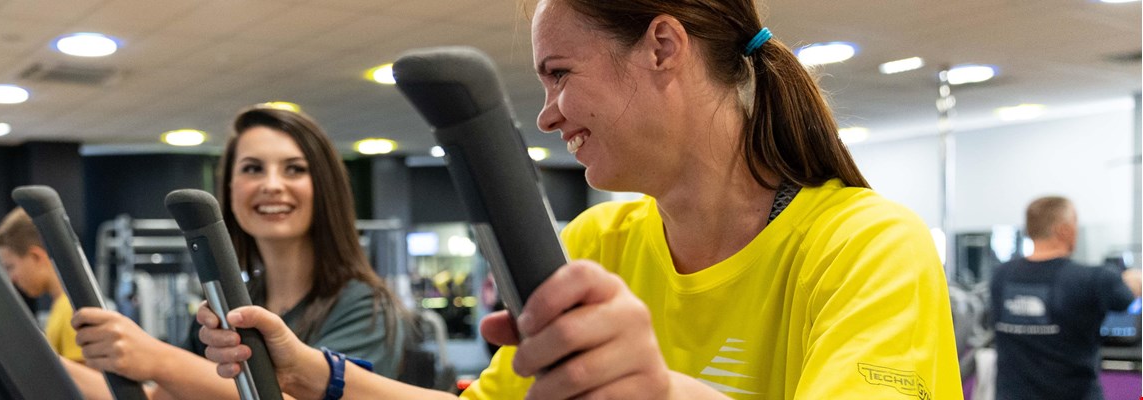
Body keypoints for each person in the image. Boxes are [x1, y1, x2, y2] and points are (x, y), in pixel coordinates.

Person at [197, 0, 963, 398]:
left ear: (663, 47)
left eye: (560, 73)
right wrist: (316, 375)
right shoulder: (603, 240)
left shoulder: (866, 246)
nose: (548, 113)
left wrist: (658, 392)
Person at [63, 105, 409, 399]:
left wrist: (158, 359)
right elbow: (162, 396)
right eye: (252, 168)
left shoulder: (365, 307)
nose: (272, 185)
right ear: (230, 188)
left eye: (295, 169)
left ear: (324, 187)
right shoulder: (234, 303)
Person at [989, 196, 1141, 400]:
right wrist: (1134, 281)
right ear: (1065, 230)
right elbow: (1126, 299)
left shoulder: (1000, 276)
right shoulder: (1094, 279)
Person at [0, 208, 116, 400]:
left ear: (36, 257)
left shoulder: (71, 311)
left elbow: (88, 389)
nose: (12, 278)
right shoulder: (59, 307)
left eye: (11, 266)